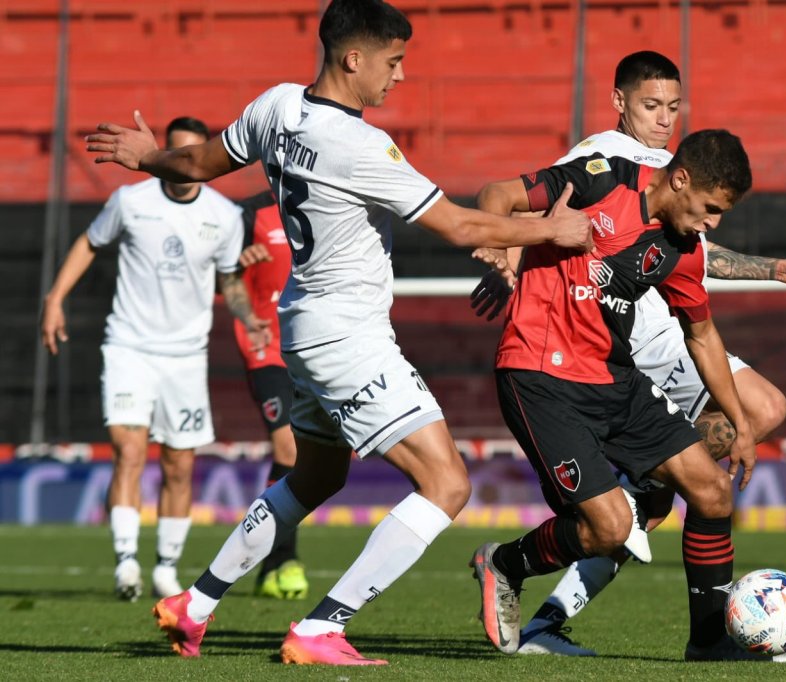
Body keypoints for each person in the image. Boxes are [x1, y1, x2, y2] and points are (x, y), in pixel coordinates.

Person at [85, 0, 591, 666]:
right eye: (394, 62)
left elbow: (200, 164)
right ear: (354, 59)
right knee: (446, 483)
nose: (400, 76)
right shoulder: (359, 146)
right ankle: (323, 627)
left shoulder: (277, 106)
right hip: (347, 335)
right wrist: (549, 229)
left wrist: (150, 157)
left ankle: (195, 605)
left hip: (301, 325)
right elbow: (459, 224)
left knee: (316, 476)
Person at [471, 51, 786, 657]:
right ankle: (506, 564)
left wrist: (741, 427)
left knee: (714, 491)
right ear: (680, 181)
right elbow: (499, 196)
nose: (713, 224)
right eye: (711, 210)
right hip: (542, 372)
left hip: (615, 376)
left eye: (673, 106)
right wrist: (500, 251)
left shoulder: (684, 246)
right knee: (608, 528)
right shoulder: (601, 172)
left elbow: (704, 336)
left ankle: (708, 642)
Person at [41, 116, 268, 602]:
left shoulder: (225, 215)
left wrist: (248, 317)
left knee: (179, 464)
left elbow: (229, 279)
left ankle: (166, 567)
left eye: (192, 156)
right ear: (164, 153)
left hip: (186, 356)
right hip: (129, 347)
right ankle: (126, 563)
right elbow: (89, 242)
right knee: (128, 451)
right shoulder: (131, 201)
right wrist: (55, 298)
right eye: (177, 155)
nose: (184, 165)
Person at [233, 190, 308, 600]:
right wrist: (236, 266)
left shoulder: (323, 199)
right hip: (266, 347)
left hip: (312, 345)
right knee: (289, 447)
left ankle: (269, 565)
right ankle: (283, 559)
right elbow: (225, 278)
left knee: (309, 456)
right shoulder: (250, 214)